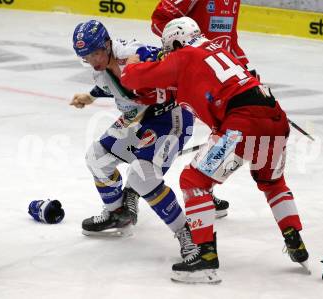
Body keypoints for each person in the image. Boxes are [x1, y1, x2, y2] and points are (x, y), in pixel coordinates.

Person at [121, 17, 309, 284]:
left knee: (193, 180)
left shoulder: (183, 55)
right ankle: (294, 239)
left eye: (169, 47)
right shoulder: (218, 48)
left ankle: (205, 259)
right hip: (274, 115)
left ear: (176, 41)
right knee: (272, 181)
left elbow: (134, 78)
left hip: (241, 123)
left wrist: (130, 63)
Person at [70, 20, 199, 258]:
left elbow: (176, 68)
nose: (93, 61)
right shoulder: (99, 69)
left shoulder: (135, 54)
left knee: (142, 177)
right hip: (138, 118)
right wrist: (90, 96)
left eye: (96, 53)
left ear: (108, 45)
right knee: (96, 158)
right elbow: (110, 85)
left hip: (170, 118)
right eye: (86, 57)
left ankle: (188, 236)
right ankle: (118, 214)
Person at [151, 0, 249, 67]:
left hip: (218, 72)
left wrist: (242, 66)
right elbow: (159, 20)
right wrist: (187, 47)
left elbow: (229, 36)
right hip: (191, 72)